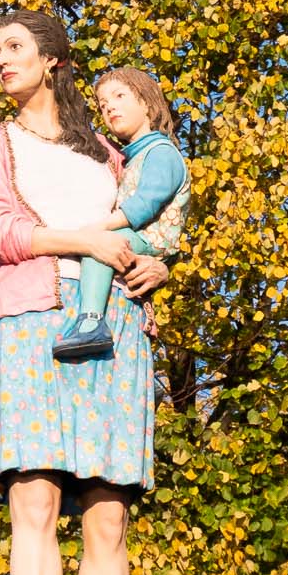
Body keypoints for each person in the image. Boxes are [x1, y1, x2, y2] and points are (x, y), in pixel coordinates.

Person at [0, 11, 169, 575]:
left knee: (109, 513)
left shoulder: (111, 153)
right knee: (35, 498)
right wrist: (82, 241)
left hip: (118, 325)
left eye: (14, 46)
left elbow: (152, 222)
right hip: (29, 322)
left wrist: (157, 263)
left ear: (52, 59)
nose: (1, 59)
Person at [54, 67, 190, 362]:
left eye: (119, 96)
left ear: (146, 103)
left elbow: (144, 204)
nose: (110, 107)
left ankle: (91, 322)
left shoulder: (161, 152)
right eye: (103, 105)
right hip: (139, 235)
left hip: (150, 238)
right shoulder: (133, 156)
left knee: (103, 245)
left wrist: (100, 228)